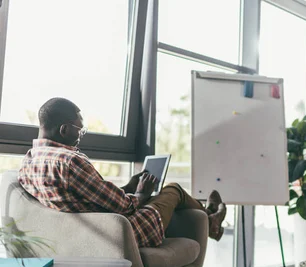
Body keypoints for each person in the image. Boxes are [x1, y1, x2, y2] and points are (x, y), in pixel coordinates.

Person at [18, 97, 227, 248]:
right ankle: (212, 223)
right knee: (174, 189)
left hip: (85, 235)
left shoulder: (27, 163)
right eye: (79, 130)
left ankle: (210, 220)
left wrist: (128, 187)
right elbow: (125, 207)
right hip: (121, 234)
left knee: (164, 196)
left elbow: (84, 199)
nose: (81, 135)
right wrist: (141, 194)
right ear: (64, 129)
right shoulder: (70, 162)